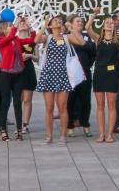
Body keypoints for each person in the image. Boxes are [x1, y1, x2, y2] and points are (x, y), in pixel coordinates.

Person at [81, 9, 119, 143]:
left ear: (114, 26)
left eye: (111, 23)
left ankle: (110, 134)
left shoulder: (117, 39)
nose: (109, 24)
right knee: (100, 105)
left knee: (111, 105)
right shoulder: (98, 38)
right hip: (100, 73)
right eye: (106, 22)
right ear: (103, 25)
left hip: (112, 74)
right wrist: (94, 14)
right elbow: (87, 27)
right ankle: (101, 134)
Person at [0, 15, 36, 141]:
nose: (12, 27)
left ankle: (19, 130)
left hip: (18, 74)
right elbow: (8, 38)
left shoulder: (16, 40)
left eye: (11, 26)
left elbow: (31, 40)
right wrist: (15, 24)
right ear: (3, 29)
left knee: (17, 102)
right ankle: (3, 130)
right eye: (9, 26)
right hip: (6, 74)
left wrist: (30, 26)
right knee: (5, 102)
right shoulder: (1, 40)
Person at [35, 14, 73, 144]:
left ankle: (63, 135)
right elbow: (35, 40)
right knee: (49, 107)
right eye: (55, 21)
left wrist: (70, 28)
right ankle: (49, 135)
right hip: (49, 73)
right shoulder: (48, 37)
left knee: (62, 106)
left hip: (63, 73)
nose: (58, 22)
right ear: (50, 25)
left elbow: (81, 42)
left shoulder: (66, 38)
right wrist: (43, 27)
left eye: (60, 21)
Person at [62, 14, 95, 138]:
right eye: (77, 21)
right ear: (71, 23)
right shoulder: (67, 37)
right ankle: (70, 125)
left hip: (85, 72)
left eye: (81, 21)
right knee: (71, 100)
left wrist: (87, 65)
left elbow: (92, 52)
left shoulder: (86, 37)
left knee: (86, 100)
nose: (80, 23)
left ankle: (85, 124)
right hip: (71, 73)